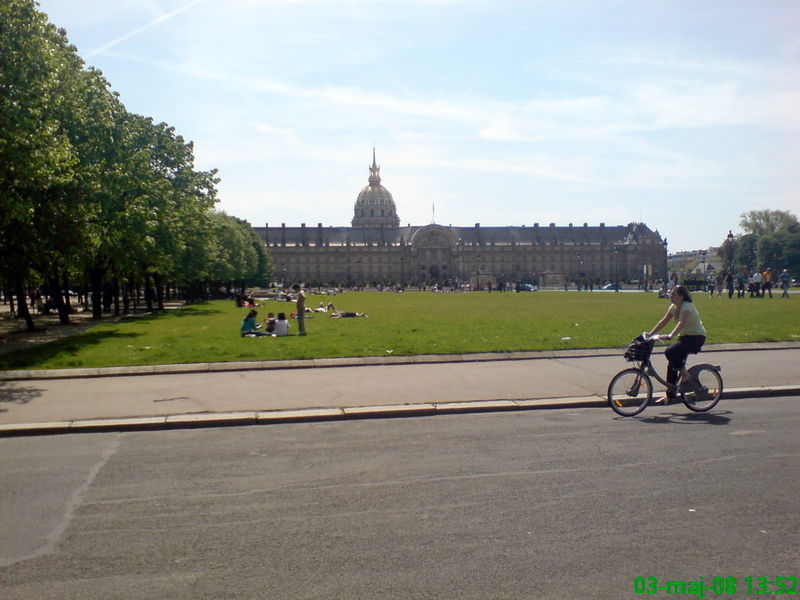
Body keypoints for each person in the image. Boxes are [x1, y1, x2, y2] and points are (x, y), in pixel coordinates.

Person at [647, 285, 707, 404]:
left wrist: (671, 335)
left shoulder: (687, 306)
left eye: (673, 294)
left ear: (681, 296)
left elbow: (682, 322)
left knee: (670, 352)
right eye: (670, 293)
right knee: (672, 365)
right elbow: (664, 321)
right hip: (685, 337)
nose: (670, 296)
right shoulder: (673, 307)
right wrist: (650, 334)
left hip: (696, 337)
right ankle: (670, 395)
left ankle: (686, 375)